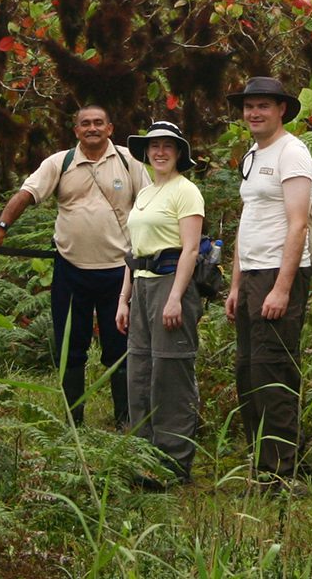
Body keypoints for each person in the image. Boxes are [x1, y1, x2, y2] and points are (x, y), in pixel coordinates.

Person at [0, 104, 148, 428]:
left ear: (110, 128)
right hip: (71, 270)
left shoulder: (129, 162)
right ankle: (74, 421)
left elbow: (150, 204)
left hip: (120, 272)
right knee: (71, 347)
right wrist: (0, 229)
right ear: (76, 130)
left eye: (99, 123)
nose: (92, 128)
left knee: (119, 348)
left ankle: (125, 419)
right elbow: (26, 194)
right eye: (85, 124)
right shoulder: (60, 163)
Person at [224, 75, 312, 485]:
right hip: (252, 275)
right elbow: (250, 221)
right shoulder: (253, 155)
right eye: (249, 106)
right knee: (248, 373)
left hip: (280, 276)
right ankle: (260, 466)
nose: (254, 113)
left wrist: (281, 287)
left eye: (263, 105)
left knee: (273, 373)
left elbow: (298, 224)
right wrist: (235, 284)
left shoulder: (292, 153)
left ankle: (282, 474)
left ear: (282, 109)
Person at [114, 119, 206, 484]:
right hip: (142, 286)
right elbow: (133, 252)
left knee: (171, 374)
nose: (160, 151)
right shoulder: (145, 193)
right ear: (146, 153)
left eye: (168, 145)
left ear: (179, 152)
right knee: (140, 373)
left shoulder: (186, 191)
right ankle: (143, 459)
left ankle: (173, 464)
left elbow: (190, 249)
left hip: (172, 284)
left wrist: (176, 298)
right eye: (154, 146)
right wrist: (124, 299)